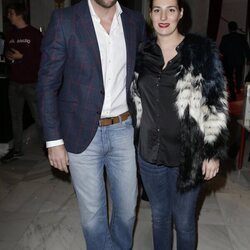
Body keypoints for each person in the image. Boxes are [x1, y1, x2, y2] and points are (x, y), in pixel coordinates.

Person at [36, 0, 145, 249]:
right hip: (80, 131)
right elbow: (47, 84)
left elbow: (142, 69)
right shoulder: (64, 20)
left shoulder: (134, 21)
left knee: (127, 210)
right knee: (93, 216)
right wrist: (54, 140)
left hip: (122, 129)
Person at [131, 0, 228, 249]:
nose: (163, 16)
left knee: (184, 222)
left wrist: (212, 152)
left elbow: (215, 103)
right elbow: (135, 99)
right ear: (150, 14)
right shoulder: (142, 52)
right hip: (149, 154)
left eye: (170, 9)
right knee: (159, 217)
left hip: (188, 155)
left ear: (181, 13)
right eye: (157, 10)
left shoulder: (201, 52)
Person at [1, 3, 42, 163]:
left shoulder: (34, 34)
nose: (8, 16)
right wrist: (9, 57)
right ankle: (17, 149)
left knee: (39, 118)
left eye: (10, 13)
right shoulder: (10, 34)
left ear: (19, 14)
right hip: (14, 83)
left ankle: (49, 147)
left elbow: (43, 59)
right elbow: (6, 54)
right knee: (15, 118)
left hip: (32, 84)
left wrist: (23, 57)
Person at [219, 21, 250, 101]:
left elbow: (221, 50)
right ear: (236, 28)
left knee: (230, 78)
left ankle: (233, 94)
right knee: (238, 75)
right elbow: (246, 49)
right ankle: (238, 88)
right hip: (239, 60)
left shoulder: (225, 37)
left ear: (229, 28)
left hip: (228, 60)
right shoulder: (242, 37)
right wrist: (248, 59)